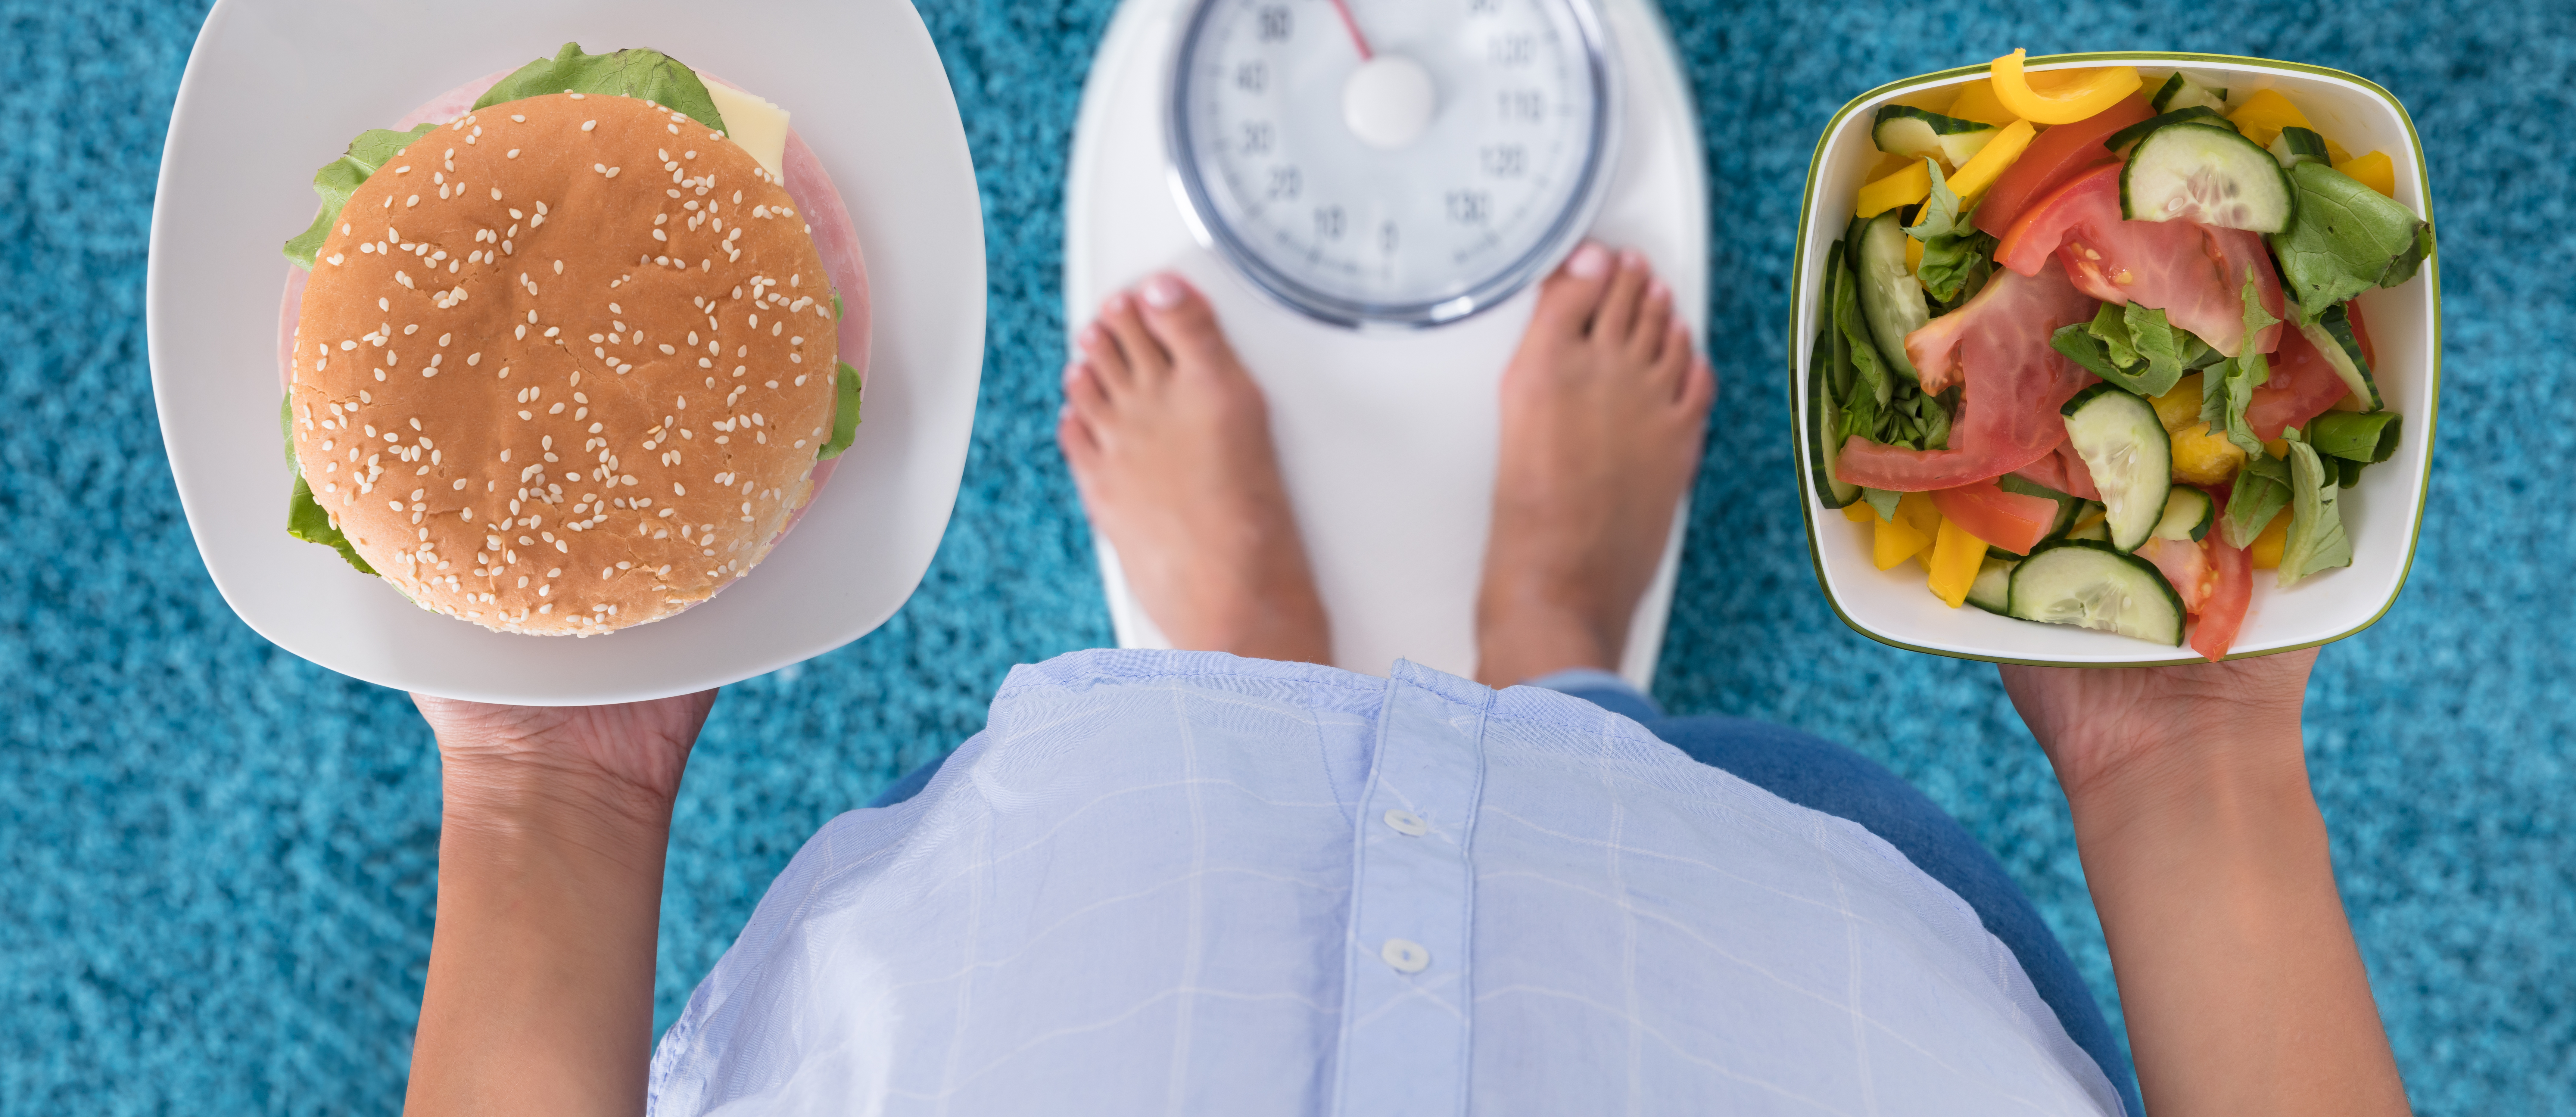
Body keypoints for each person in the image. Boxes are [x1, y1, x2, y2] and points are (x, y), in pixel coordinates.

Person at [404, 245, 2409, 1116]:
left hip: (1081, 938)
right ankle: (1557, 634)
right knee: (1651, 808)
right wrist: (2182, 768)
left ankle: (1243, 662)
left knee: (1200, 797)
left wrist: (550, 798)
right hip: (1756, 982)